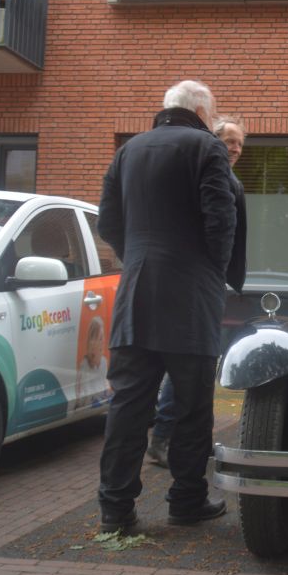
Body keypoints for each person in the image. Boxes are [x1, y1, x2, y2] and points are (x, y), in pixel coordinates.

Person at [96, 80, 237, 532]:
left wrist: (137, 257)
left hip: (135, 294)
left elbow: (108, 222)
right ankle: (187, 501)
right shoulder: (207, 148)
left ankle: (115, 513)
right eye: (212, 113)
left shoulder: (128, 151)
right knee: (193, 408)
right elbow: (221, 218)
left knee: (128, 408)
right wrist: (212, 270)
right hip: (191, 298)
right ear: (200, 109)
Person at [147, 116, 248, 469]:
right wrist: (213, 271)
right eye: (228, 140)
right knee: (188, 364)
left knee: (198, 367)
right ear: (211, 141)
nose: (234, 148)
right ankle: (163, 439)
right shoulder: (206, 176)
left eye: (239, 142)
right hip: (195, 285)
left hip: (207, 283)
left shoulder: (226, 178)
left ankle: (190, 440)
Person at [74, 315, 109, 410]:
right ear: (92, 342)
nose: (103, 342)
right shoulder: (84, 366)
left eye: (103, 337)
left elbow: (105, 387)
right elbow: (81, 399)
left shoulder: (104, 362)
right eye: (100, 338)